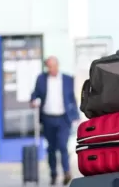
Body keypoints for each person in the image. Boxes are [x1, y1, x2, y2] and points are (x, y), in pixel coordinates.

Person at [29, 56, 80, 186]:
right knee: (51, 148)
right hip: (48, 118)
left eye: (53, 66)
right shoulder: (41, 79)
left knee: (63, 146)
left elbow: (71, 98)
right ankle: (53, 173)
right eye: (49, 67)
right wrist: (34, 100)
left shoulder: (68, 79)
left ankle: (67, 172)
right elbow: (35, 94)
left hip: (63, 118)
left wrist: (76, 116)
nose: (52, 69)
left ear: (58, 65)